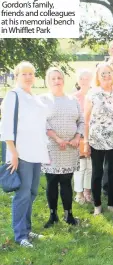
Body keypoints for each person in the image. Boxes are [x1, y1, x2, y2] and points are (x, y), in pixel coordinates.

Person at [0, 61, 50, 248]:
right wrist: (12, 152)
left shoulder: (33, 96)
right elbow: (6, 127)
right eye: (24, 74)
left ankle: (27, 230)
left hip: (36, 152)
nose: (28, 77)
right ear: (17, 76)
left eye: (31, 73)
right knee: (22, 194)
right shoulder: (14, 96)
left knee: (32, 192)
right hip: (20, 153)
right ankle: (20, 236)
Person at [40, 68, 84, 228]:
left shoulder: (73, 100)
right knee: (52, 181)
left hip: (70, 148)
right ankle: (53, 216)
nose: (57, 81)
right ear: (48, 81)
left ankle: (68, 214)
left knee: (66, 181)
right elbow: (42, 122)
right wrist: (58, 139)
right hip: (51, 147)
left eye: (59, 78)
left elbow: (82, 121)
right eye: (53, 78)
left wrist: (77, 137)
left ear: (63, 80)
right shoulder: (43, 100)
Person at [83, 63, 113, 216]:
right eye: (103, 73)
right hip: (96, 138)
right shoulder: (92, 94)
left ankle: (111, 203)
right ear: (98, 76)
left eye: (109, 72)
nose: (107, 76)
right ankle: (97, 205)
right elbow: (85, 120)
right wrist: (86, 141)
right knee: (97, 172)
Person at [72, 69, 93, 205]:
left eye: (87, 78)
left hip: (93, 136)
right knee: (80, 166)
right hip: (78, 136)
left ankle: (87, 191)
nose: (85, 81)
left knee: (91, 167)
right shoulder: (73, 97)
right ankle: (79, 192)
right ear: (78, 81)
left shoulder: (94, 95)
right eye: (82, 78)